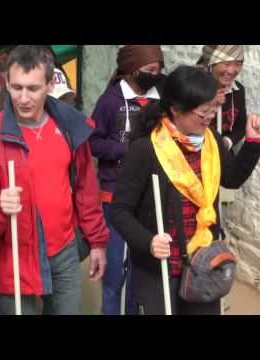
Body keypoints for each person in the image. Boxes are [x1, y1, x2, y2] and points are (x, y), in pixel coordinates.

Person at [0, 45, 109, 315]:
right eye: (16, 87)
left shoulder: (69, 126)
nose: (24, 98)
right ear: (6, 83)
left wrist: (97, 241)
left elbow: (85, 190)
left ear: (50, 84)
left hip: (63, 251)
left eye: (33, 88)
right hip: (14, 255)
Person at [110, 65, 260, 315]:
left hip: (203, 260)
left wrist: (253, 144)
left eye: (212, 108)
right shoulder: (146, 150)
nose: (210, 117)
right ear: (175, 110)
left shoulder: (211, 142)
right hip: (160, 265)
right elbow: (120, 211)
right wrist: (148, 242)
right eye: (202, 113)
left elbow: (231, 179)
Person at [89, 45, 165, 315]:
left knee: (140, 271)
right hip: (115, 196)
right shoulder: (110, 101)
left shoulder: (162, 97)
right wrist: (126, 150)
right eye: (150, 71)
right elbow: (93, 142)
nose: (156, 75)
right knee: (114, 274)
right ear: (132, 69)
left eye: (159, 70)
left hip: (150, 197)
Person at [197, 45, 246, 151]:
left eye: (237, 64)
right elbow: (183, 123)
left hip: (223, 154)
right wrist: (210, 103)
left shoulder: (238, 91)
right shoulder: (194, 87)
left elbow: (240, 128)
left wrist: (227, 142)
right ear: (212, 63)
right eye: (226, 64)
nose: (232, 70)